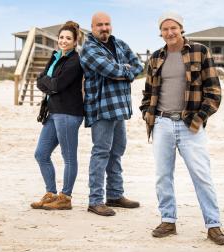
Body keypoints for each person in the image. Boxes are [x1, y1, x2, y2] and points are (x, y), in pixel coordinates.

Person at [139, 12, 224, 245]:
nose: (169, 32)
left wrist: (198, 119)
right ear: (160, 32)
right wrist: (146, 113)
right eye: (165, 29)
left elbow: (214, 93)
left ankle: (213, 225)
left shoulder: (199, 51)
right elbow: (148, 92)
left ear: (181, 29)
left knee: (202, 176)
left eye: (174, 28)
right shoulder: (156, 57)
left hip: (191, 126)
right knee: (162, 176)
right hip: (161, 123)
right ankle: (168, 220)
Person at [80, 12, 143, 216]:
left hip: (120, 109)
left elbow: (139, 66)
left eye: (107, 24)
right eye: (100, 25)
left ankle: (115, 195)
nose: (104, 28)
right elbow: (110, 70)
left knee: (117, 153)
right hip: (101, 109)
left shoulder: (120, 44)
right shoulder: (88, 49)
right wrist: (124, 70)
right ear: (92, 27)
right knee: (101, 153)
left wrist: (124, 70)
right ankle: (95, 200)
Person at [31, 21, 84, 210]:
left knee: (68, 157)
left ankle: (65, 197)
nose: (64, 41)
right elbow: (41, 80)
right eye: (61, 37)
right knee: (41, 154)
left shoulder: (75, 61)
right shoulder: (55, 57)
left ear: (75, 41)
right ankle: (51, 193)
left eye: (68, 38)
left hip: (69, 113)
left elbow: (56, 85)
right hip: (53, 112)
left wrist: (47, 82)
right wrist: (47, 82)